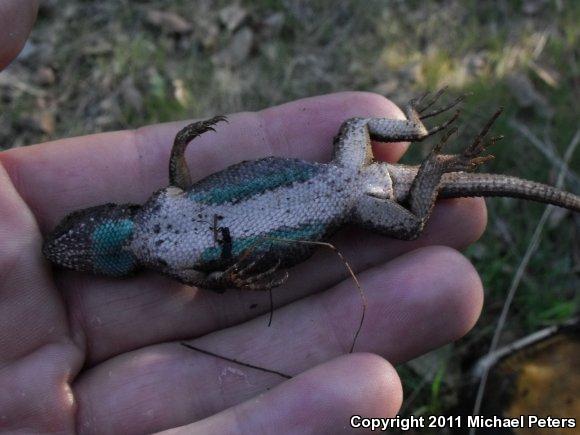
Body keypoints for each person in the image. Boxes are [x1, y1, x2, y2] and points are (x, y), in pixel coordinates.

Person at [0, 1, 485, 433]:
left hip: (344, 192)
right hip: (345, 186)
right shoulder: (165, 214)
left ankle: (431, 165)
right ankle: (425, 150)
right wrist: (185, 145)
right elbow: (206, 256)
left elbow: (212, 276)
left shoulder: (170, 246)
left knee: (407, 217)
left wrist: (187, 151)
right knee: (358, 129)